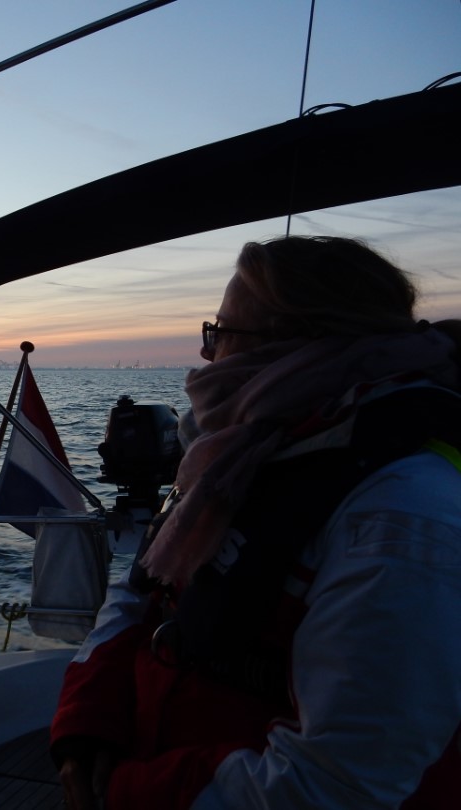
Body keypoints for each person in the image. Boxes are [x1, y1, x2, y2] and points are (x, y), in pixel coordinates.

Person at [50, 235, 461, 809]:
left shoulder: (403, 515)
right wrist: (89, 720)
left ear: (296, 343)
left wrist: (121, 794)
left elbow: (336, 786)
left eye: (220, 332)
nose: (206, 354)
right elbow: (144, 591)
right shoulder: (238, 457)